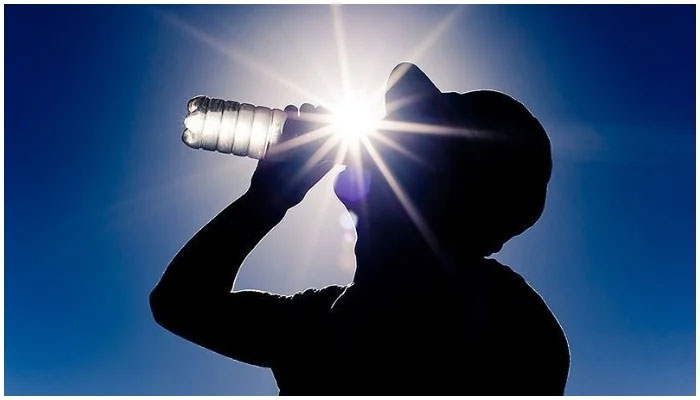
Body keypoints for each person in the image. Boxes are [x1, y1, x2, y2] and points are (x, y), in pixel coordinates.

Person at [149, 63, 570, 395]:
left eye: (410, 155)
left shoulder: (513, 331)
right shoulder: (317, 318)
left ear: (456, 191)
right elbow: (178, 304)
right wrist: (266, 200)